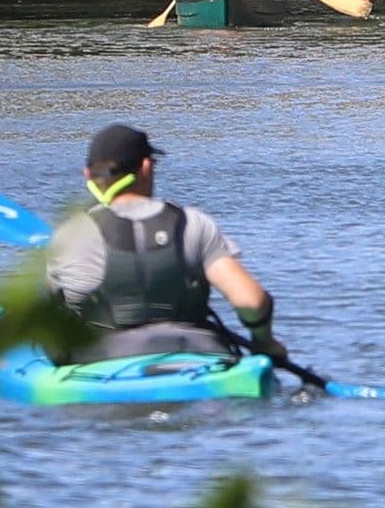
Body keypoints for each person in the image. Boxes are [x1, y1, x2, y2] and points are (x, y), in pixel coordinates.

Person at [46, 123, 287, 360]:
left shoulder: (69, 235)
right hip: (195, 353)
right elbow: (252, 301)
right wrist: (263, 341)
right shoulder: (193, 223)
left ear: (88, 175)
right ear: (147, 166)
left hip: (101, 361)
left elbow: (48, 319)